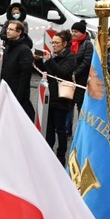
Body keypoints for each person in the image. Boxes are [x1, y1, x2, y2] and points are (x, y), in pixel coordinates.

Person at [35, 30, 76, 164]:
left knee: (60, 129)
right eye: (52, 42)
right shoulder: (53, 55)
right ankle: (48, 152)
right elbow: (46, 71)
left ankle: (61, 156)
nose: (54, 45)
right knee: (49, 127)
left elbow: (62, 73)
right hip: (50, 96)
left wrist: (50, 60)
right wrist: (39, 61)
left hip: (62, 98)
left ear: (65, 44)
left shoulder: (70, 57)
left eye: (57, 42)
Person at [1, 20, 34, 120]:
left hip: (17, 94)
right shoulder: (8, 46)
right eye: (7, 29)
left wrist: (18, 96)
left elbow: (25, 75)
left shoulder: (24, 50)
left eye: (11, 29)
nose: (8, 31)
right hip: (7, 90)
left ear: (19, 32)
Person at [68, 20, 93, 134]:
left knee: (80, 105)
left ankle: (80, 131)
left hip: (82, 79)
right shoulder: (70, 43)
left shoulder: (87, 44)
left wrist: (75, 73)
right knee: (68, 104)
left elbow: (86, 61)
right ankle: (68, 129)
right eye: (72, 31)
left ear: (82, 33)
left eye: (76, 31)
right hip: (70, 78)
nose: (73, 34)